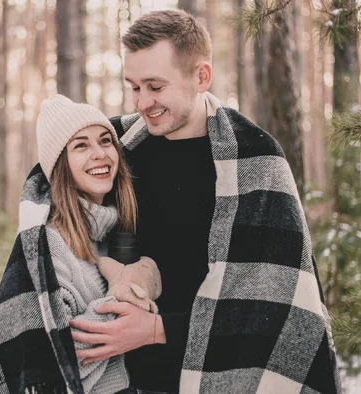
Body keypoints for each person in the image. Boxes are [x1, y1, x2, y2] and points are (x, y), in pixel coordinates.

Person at [69, 9, 342, 394]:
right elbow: (56, 172)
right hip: (125, 378)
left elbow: (272, 304)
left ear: (201, 76)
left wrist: (155, 329)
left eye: (155, 86)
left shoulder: (254, 158)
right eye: (134, 87)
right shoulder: (119, 149)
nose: (143, 102)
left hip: (225, 373)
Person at [0, 95, 161, 394]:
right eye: (81, 145)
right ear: (61, 165)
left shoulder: (112, 234)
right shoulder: (50, 244)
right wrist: (127, 293)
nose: (99, 154)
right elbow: (50, 363)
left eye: (105, 141)